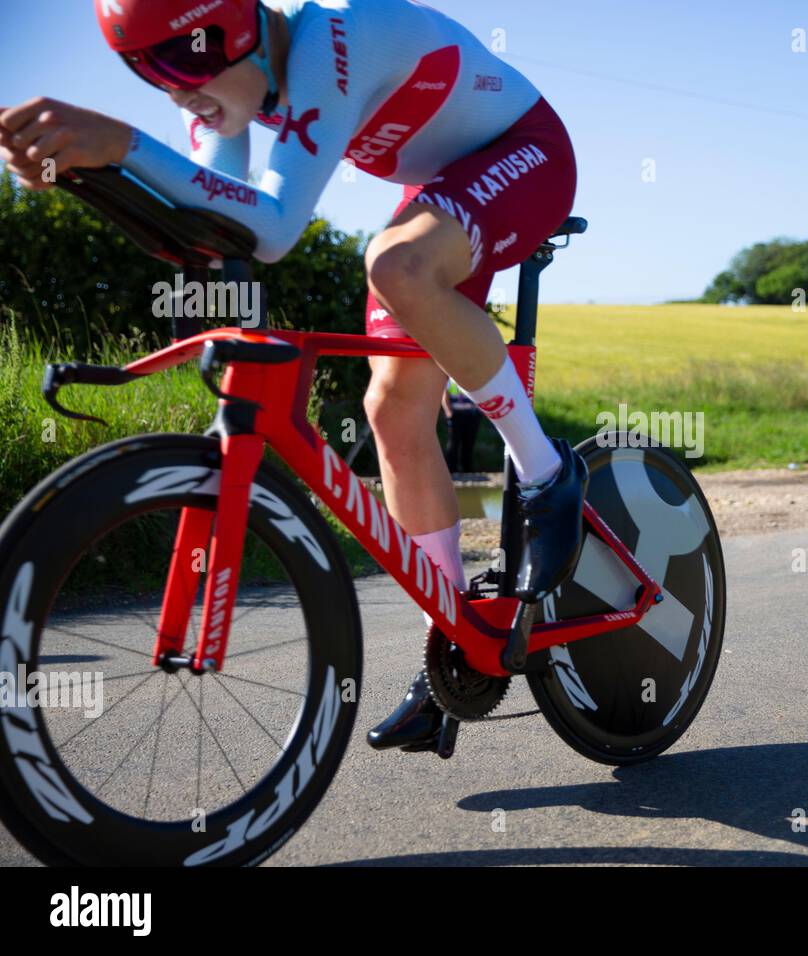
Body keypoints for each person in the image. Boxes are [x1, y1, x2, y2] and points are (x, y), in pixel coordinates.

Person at [0, 0, 588, 751]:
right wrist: (88, 170)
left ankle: (544, 472)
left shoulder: (328, 39)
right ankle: (456, 640)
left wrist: (119, 141)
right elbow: (216, 223)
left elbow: (273, 228)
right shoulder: (228, 90)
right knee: (391, 412)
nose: (176, 93)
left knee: (396, 264)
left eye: (181, 62)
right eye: (146, 73)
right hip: (443, 188)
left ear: (236, 26)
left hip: (526, 152)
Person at [442, 379, 482, 474]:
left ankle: (467, 469)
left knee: (469, 443)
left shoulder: (472, 378)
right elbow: (445, 396)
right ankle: (451, 469)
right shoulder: (450, 381)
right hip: (456, 415)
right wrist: (449, 413)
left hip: (471, 414)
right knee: (453, 443)